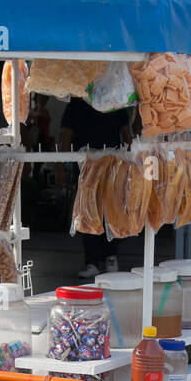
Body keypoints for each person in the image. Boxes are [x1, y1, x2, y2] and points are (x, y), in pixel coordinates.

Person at [58, 99, 132, 278]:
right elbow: (66, 134)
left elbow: (126, 131)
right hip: (86, 164)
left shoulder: (114, 99)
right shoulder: (76, 103)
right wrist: (61, 164)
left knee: (111, 209)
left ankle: (110, 256)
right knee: (88, 210)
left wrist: (131, 161)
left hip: (112, 162)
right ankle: (93, 261)